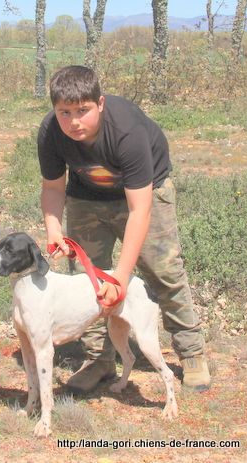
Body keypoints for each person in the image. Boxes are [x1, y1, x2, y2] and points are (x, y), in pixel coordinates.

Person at [38, 65, 211, 393]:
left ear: (100, 104)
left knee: (163, 271)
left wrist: (121, 276)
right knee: (87, 279)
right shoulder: (50, 132)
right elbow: (52, 187)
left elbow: (140, 209)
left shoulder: (126, 131)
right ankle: (99, 360)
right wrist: (53, 229)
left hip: (146, 193)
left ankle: (191, 352)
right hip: (87, 195)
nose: (74, 121)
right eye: (64, 112)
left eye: (83, 111)